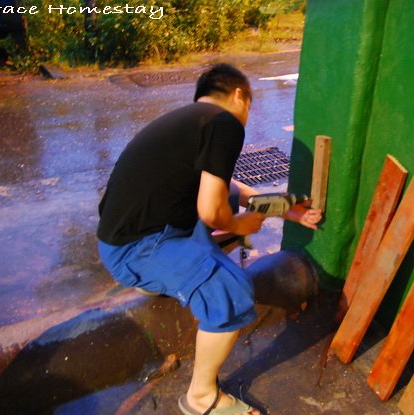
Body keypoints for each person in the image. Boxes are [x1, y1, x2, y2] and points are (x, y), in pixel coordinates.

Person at [97, 63, 322, 415]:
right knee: (232, 294)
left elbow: (227, 190)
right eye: (250, 103)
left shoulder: (189, 121)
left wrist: (285, 209)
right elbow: (211, 212)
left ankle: (157, 281)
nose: (248, 113)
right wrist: (240, 225)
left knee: (226, 199)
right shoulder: (224, 122)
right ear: (239, 95)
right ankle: (201, 397)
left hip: (123, 238)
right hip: (138, 250)